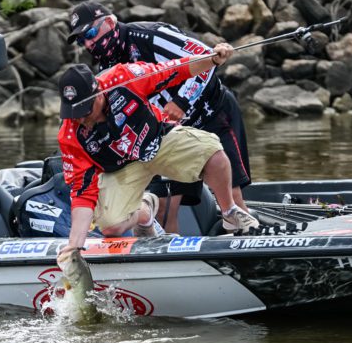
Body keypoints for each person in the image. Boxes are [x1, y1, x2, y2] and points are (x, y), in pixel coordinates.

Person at [57, 45, 259, 257]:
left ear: (99, 94)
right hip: (119, 168)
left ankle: (230, 213)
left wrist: (213, 60)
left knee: (214, 152)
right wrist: (74, 246)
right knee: (111, 227)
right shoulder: (70, 135)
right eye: (73, 113)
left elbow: (175, 69)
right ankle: (145, 213)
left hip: (158, 140)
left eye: (84, 111)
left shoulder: (124, 77)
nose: (80, 119)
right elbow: (82, 191)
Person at [67, 2, 251, 233]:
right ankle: (170, 261)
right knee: (164, 205)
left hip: (212, 113)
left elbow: (206, 58)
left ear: (110, 22)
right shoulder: (107, 66)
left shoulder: (150, 35)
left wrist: (182, 101)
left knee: (231, 193)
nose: (88, 43)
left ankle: (245, 243)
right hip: (168, 131)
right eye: (81, 40)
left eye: (91, 33)